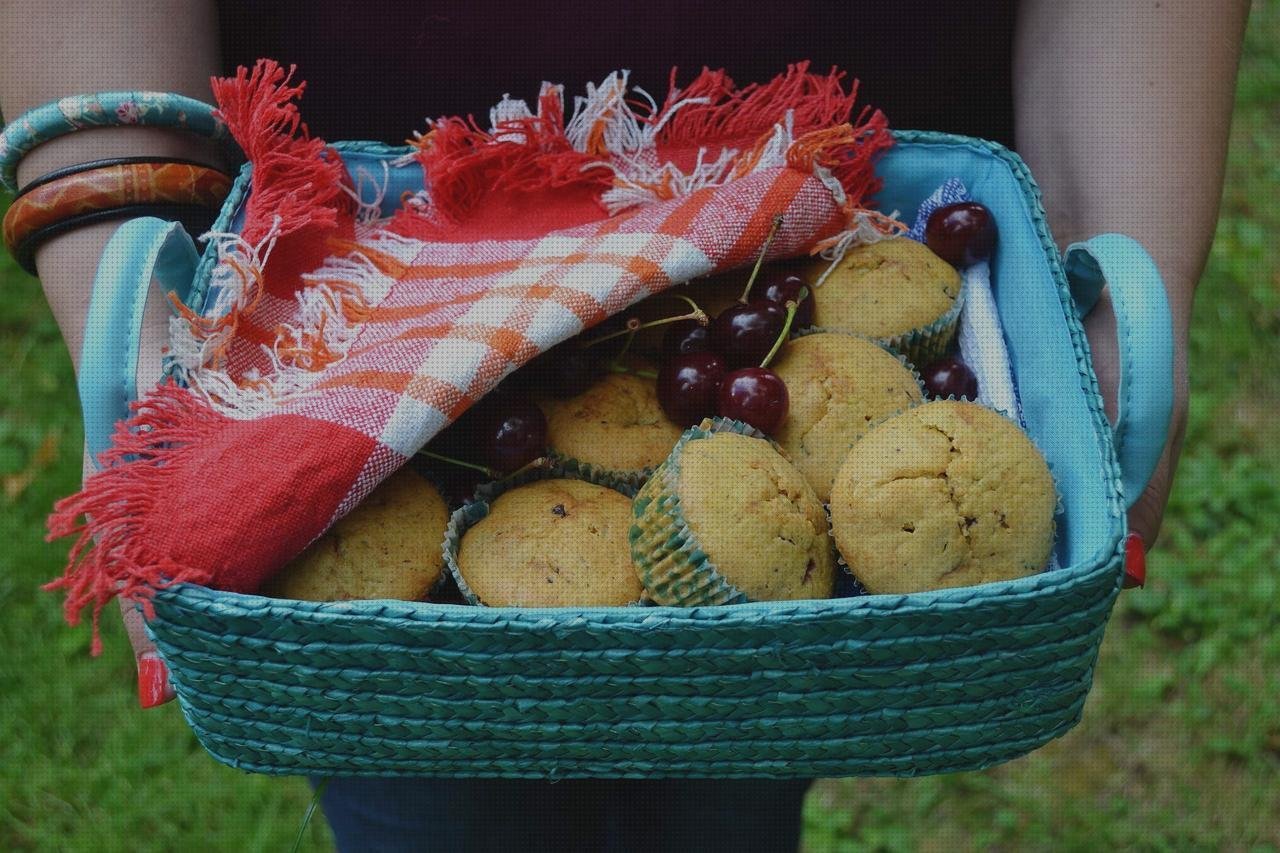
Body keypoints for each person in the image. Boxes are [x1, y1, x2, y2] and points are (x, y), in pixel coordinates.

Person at [0, 1, 1249, 850]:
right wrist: (123, 258)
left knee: (743, 767)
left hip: (821, 198)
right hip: (352, 273)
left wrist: (1115, 258)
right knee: (416, 786)